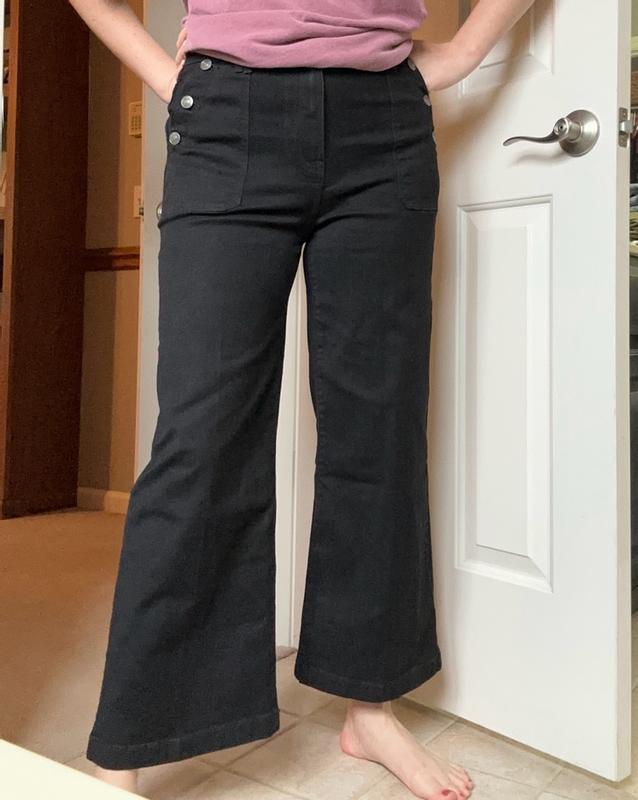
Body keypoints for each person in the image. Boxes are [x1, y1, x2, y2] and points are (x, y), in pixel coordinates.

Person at [68, 2, 536, 798]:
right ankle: (129, 747)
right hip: (226, 117)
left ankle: (371, 707)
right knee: (201, 436)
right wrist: (162, 74)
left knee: (377, 429)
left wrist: (463, 50)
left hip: (383, 126)